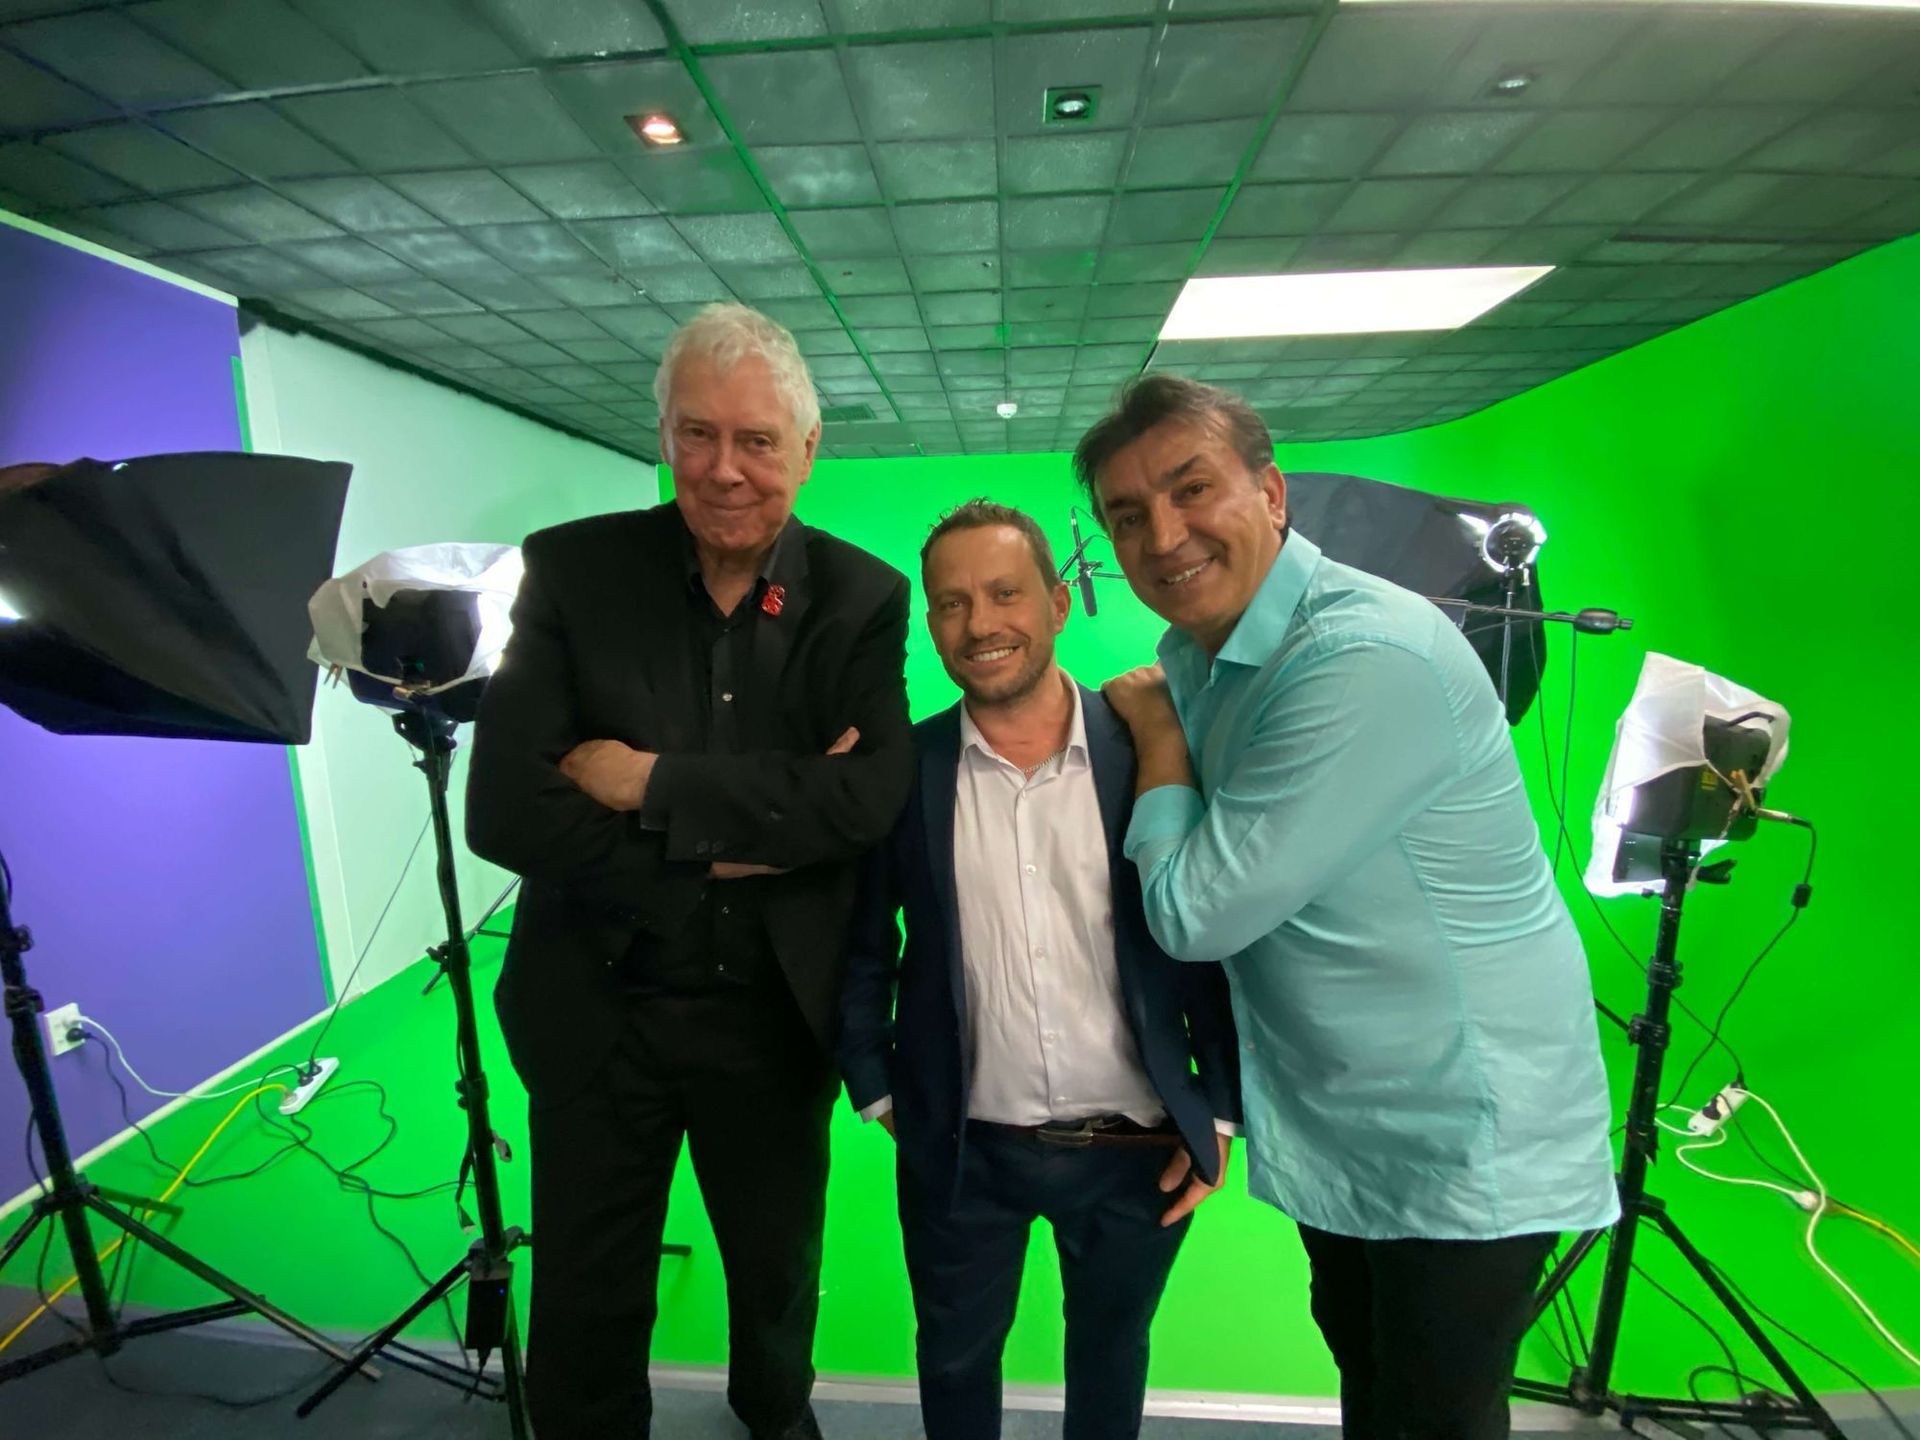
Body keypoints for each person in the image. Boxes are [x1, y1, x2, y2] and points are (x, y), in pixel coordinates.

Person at [1081, 375, 1618, 1440]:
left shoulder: (1363, 654)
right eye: (1127, 517)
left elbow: (1196, 910)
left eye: (1193, 491)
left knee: (1432, 1417)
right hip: (1347, 1123)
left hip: (1460, 1129)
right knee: (1377, 1397)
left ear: (1272, 492)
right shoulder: (1201, 654)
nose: (1165, 535)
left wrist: (1159, 737)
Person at [465, 303, 913, 1440]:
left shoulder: (862, 599)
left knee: (776, 1277)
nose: (724, 470)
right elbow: (505, 806)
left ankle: (776, 1416)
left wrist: (647, 782)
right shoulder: (572, 573)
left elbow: (864, 799)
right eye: (696, 435)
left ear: (808, 449)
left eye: (757, 441)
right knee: (584, 1290)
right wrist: (746, 836)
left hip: (772, 1015)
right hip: (596, 1008)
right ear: (662, 435)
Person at [838, 499, 1242, 1440]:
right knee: (952, 1358)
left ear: (1059, 603)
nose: (980, 624)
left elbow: (1213, 934)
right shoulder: (907, 766)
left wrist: (1215, 1104)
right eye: (950, 604)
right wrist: (875, 1084)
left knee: (1111, 1358)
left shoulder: (1150, 744)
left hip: (1139, 1149)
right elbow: (861, 940)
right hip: (962, 1146)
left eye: (1005, 592)